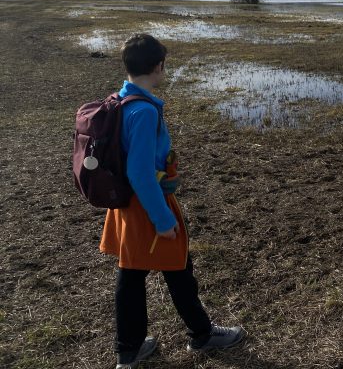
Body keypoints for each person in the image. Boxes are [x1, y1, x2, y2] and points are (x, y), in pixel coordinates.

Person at [99, 34, 243, 369]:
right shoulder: (144, 112)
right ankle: (202, 335)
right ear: (158, 66)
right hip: (147, 206)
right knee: (178, 268)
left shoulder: (119, 100)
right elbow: (140, 172)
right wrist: (163, 220)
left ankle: (129, 350)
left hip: (125, 207)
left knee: (132, 274)